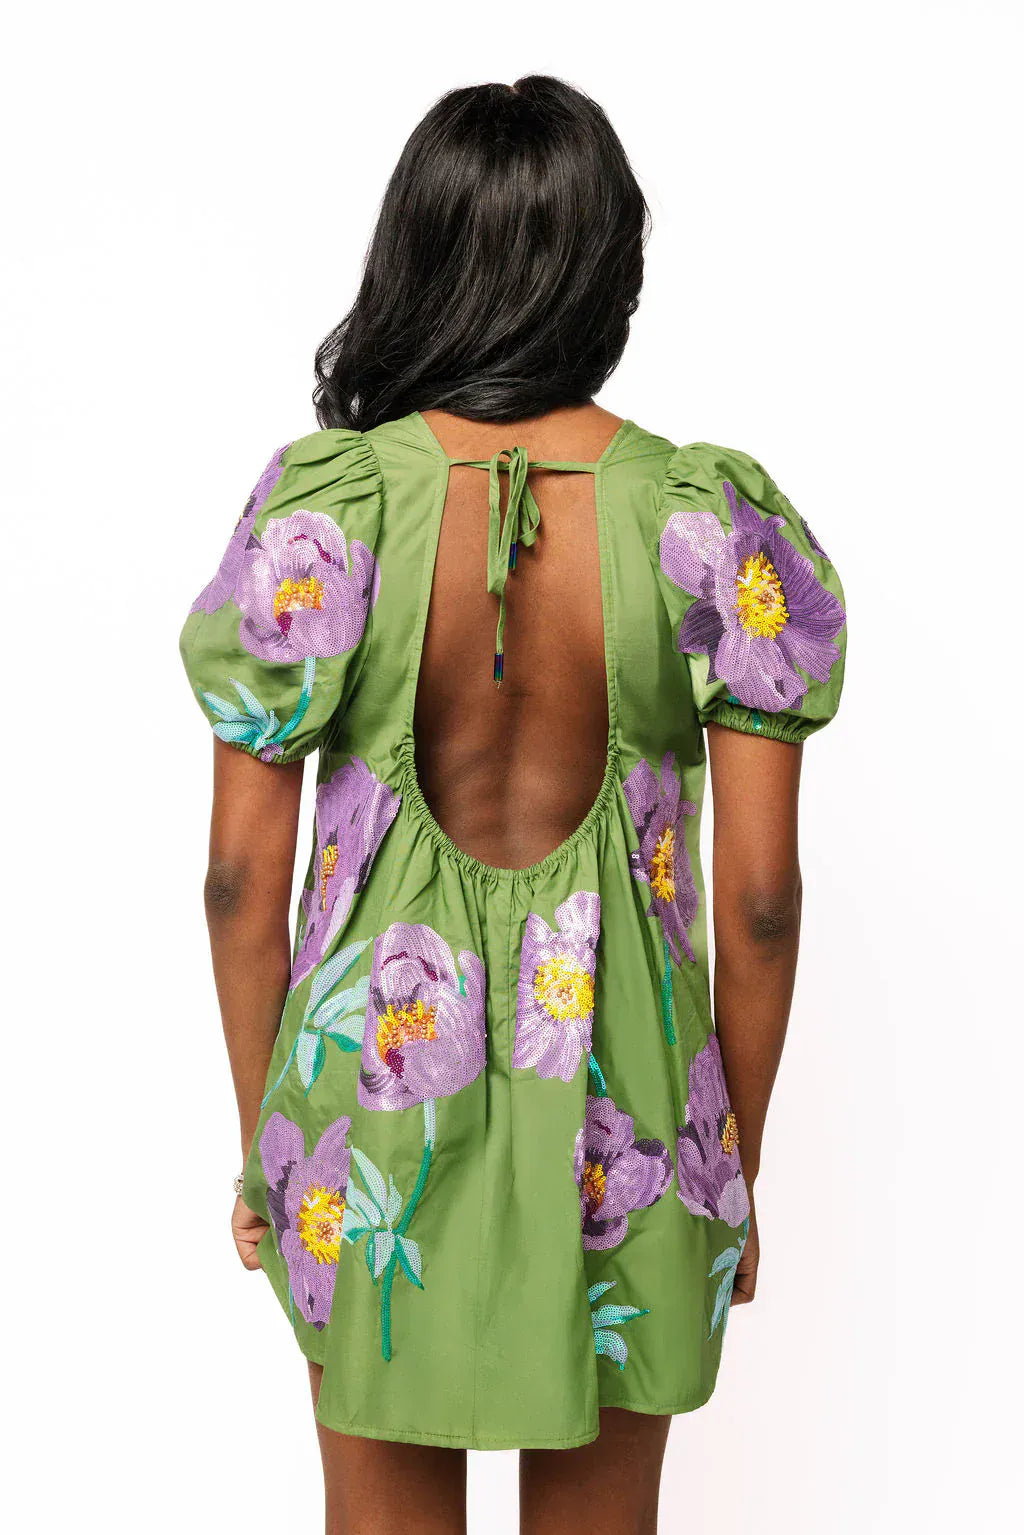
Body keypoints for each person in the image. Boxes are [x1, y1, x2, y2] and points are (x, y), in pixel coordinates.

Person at [180, 75, 846, 1535]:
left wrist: (267, 1142)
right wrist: (728, 1163)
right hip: (633, 1120)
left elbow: (238, 882)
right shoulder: (702, 523)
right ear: (610, 267)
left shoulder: (331, 510)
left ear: (414, 254)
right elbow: (761, 901)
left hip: (370, 1096)